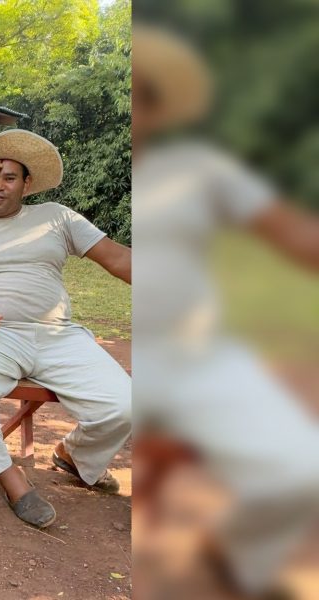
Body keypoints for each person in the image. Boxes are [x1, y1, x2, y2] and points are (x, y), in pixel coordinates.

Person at [131, 25, 319, 596]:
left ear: (162, 106)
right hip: (134, 355)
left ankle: (238, 554)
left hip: (198, 351)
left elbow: (295, 235)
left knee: (303, 470)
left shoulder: (202, 169)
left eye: (148, 93)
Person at [0, 129, 132, 528]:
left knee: (126, 405)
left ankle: (73, 455)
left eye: (8, 177)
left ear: (27, 183)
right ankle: (10, 478)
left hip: (59, 336)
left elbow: (118, 258)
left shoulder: (57, 217)